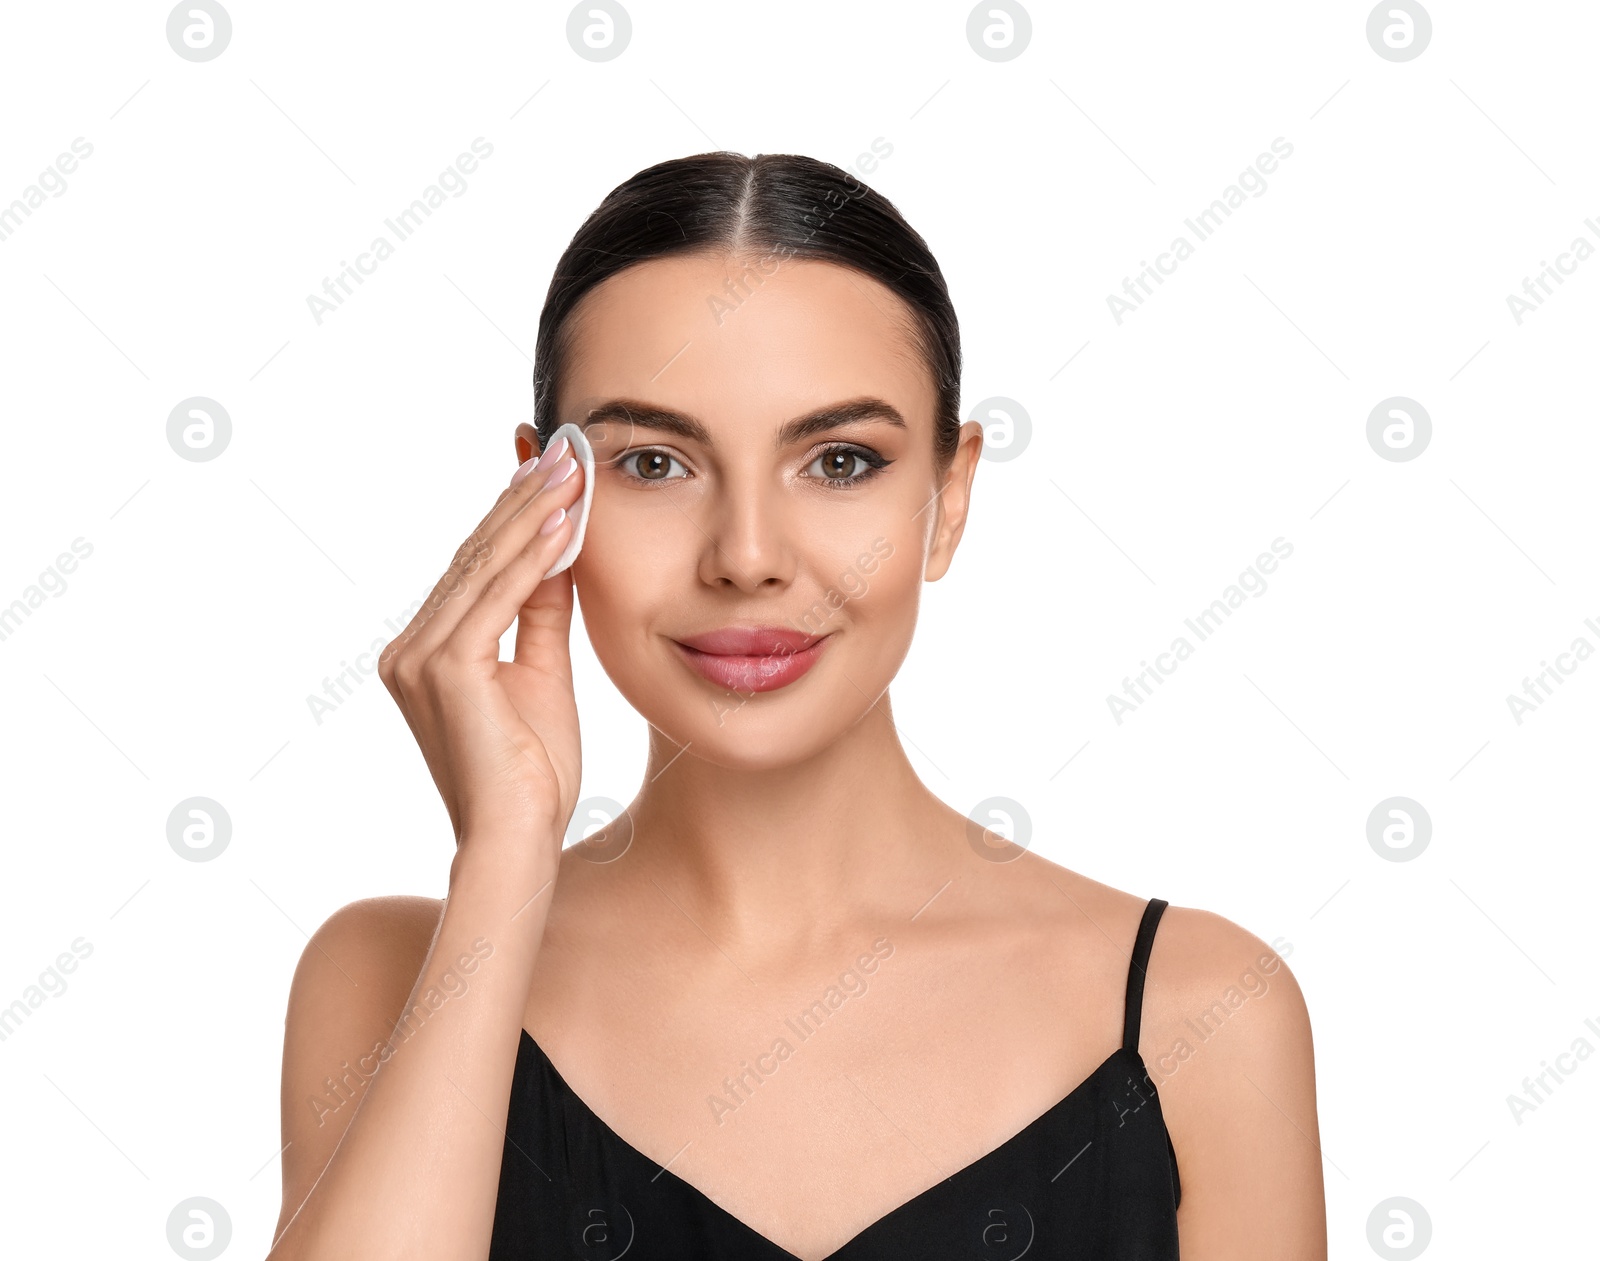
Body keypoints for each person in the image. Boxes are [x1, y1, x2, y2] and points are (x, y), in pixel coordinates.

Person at [266, 152, 1326, 1261]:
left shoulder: (1198, 1014)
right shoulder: (385, 976)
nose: (748, 557)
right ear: (542, 500)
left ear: (949, 497)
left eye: (837, 460)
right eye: (656, 464)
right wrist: (501, 864)